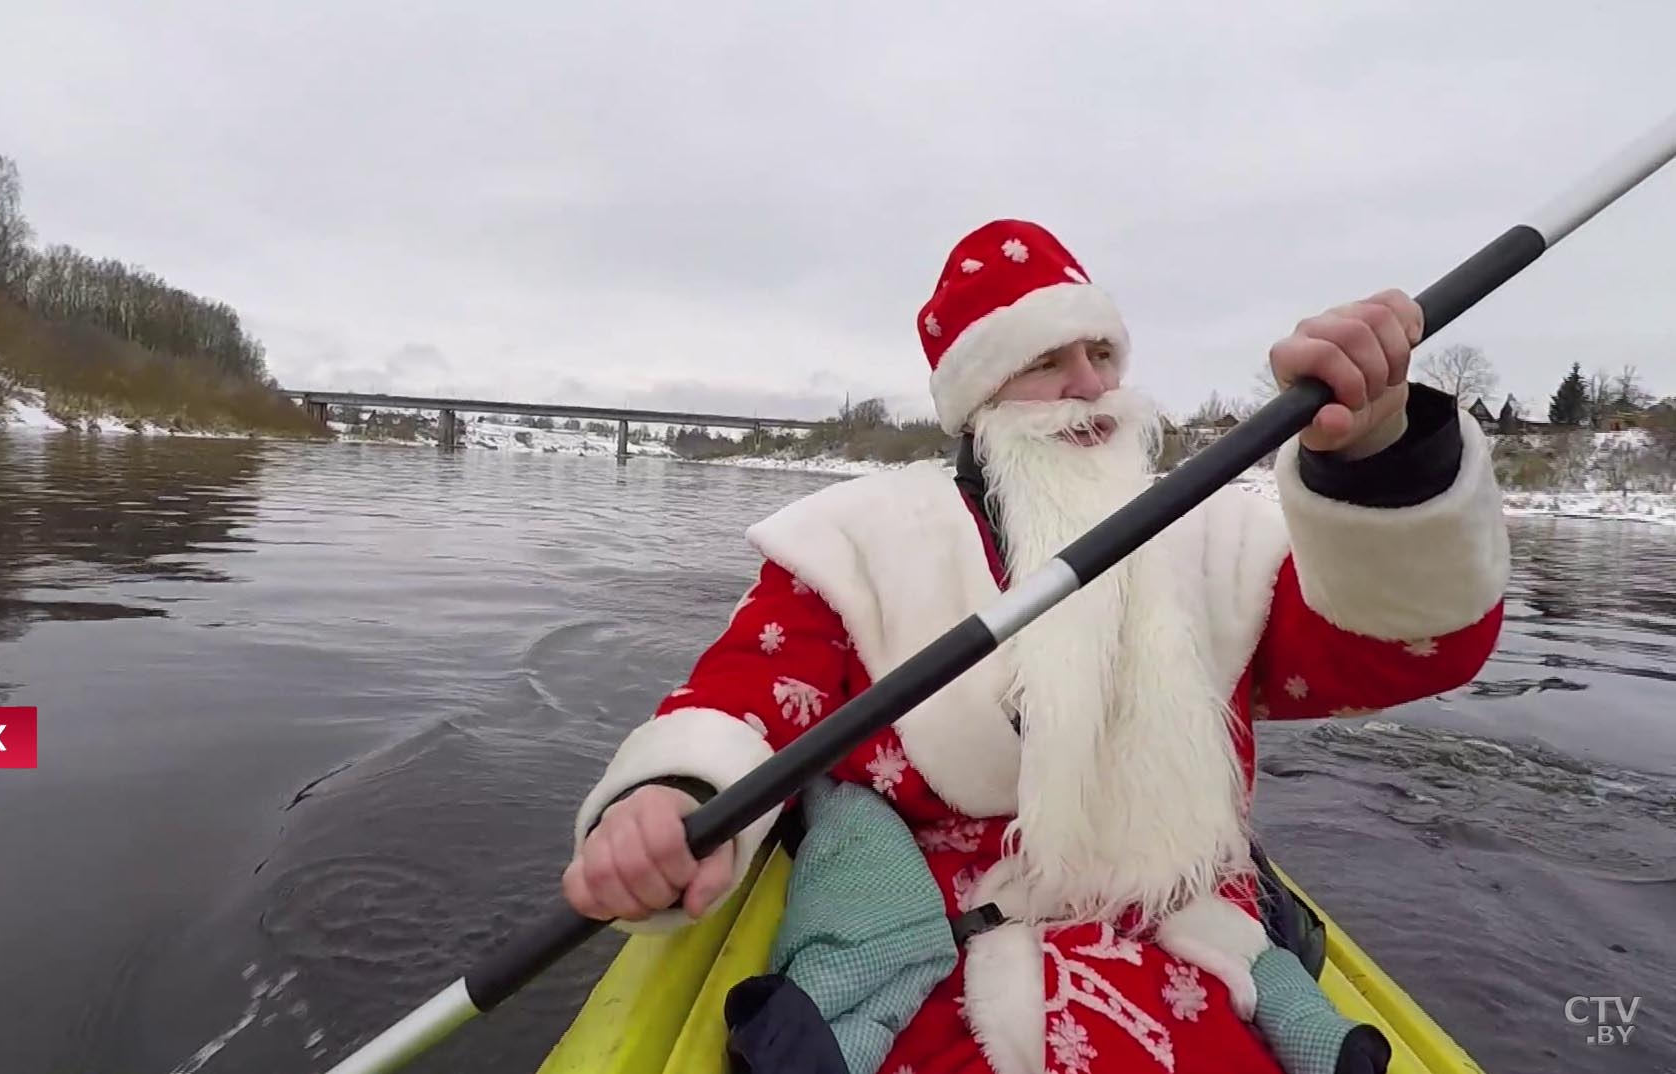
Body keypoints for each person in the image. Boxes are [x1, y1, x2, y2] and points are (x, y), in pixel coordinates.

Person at [562, 219, 1509, 1074]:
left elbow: (1404, 649)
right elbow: (749, 699)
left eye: (1102, 350)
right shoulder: (855, 543)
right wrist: (669, 799)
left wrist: (1379, 449)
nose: (1091, 385)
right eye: (1048, 361)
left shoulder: (1214, 538)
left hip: (1181, 928)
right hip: (941, 953)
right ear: (980, 399)